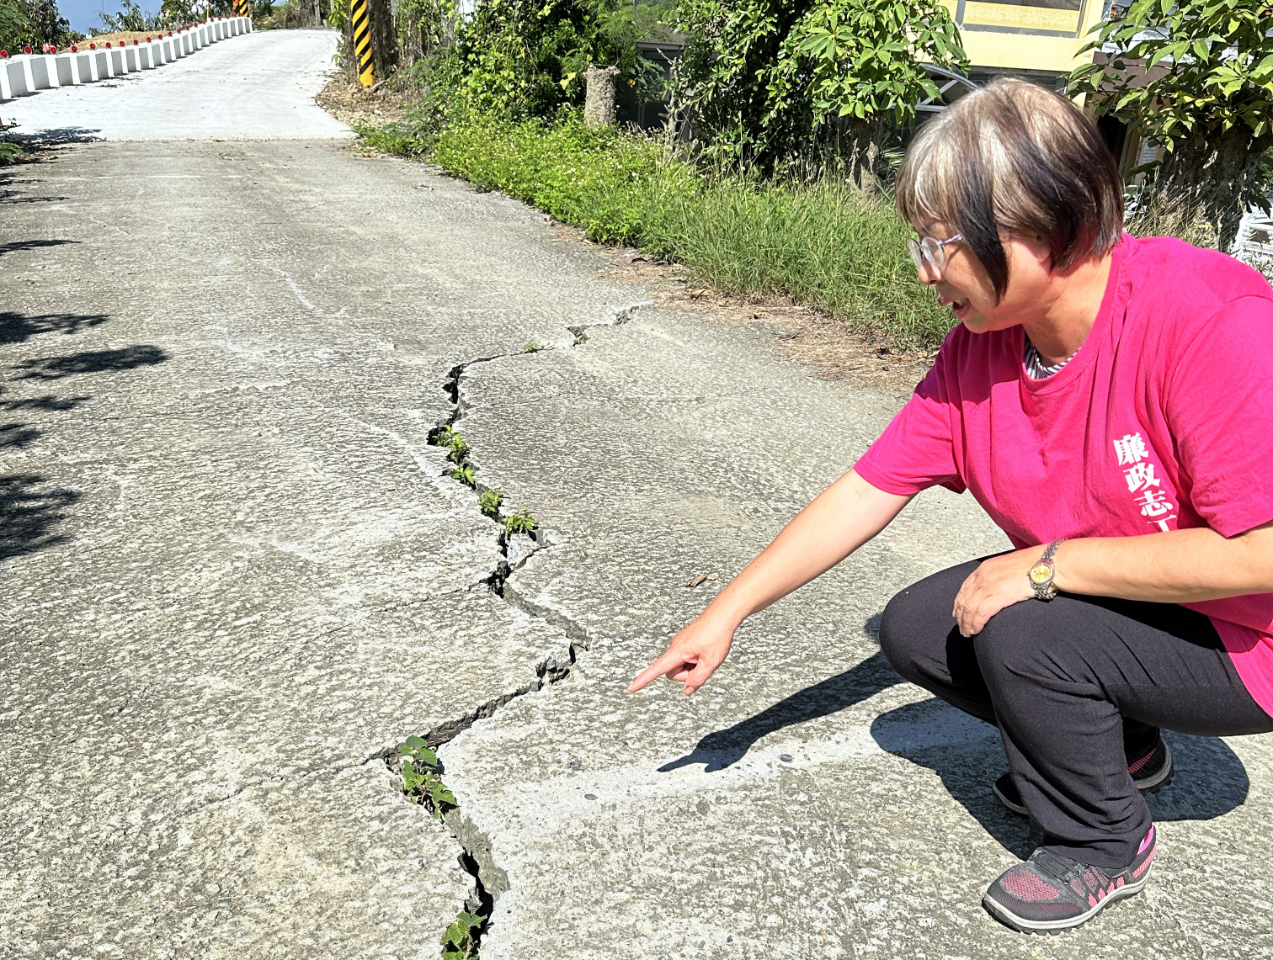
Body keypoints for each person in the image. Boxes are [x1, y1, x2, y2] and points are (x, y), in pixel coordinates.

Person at [628, 77, 1273, 934]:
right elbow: (868, 488)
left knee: (1023, 624)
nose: (927, 273)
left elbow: (1260, 553)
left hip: (1251, 639)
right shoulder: (984, 351)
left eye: (942, 246)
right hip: (1143, 603)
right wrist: (726, 612)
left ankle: (1100, 840)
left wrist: (1048, 565)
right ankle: (1121, 750)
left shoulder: (1206, 319)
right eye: (919, 248)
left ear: (1043, 226)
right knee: (920, 625)